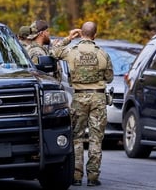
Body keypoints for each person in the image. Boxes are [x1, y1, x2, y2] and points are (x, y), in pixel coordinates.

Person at [54, 21, 113, 187]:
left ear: (81, 34)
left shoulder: (71, 51)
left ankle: (76, 175)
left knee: (77, 137)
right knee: (96, 138)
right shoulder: (102, 54)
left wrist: (68, 37)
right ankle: (93, 177)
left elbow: (54, 51)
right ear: (95, 34)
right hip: (98, 99)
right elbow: (109, 77)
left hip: (79, 98)